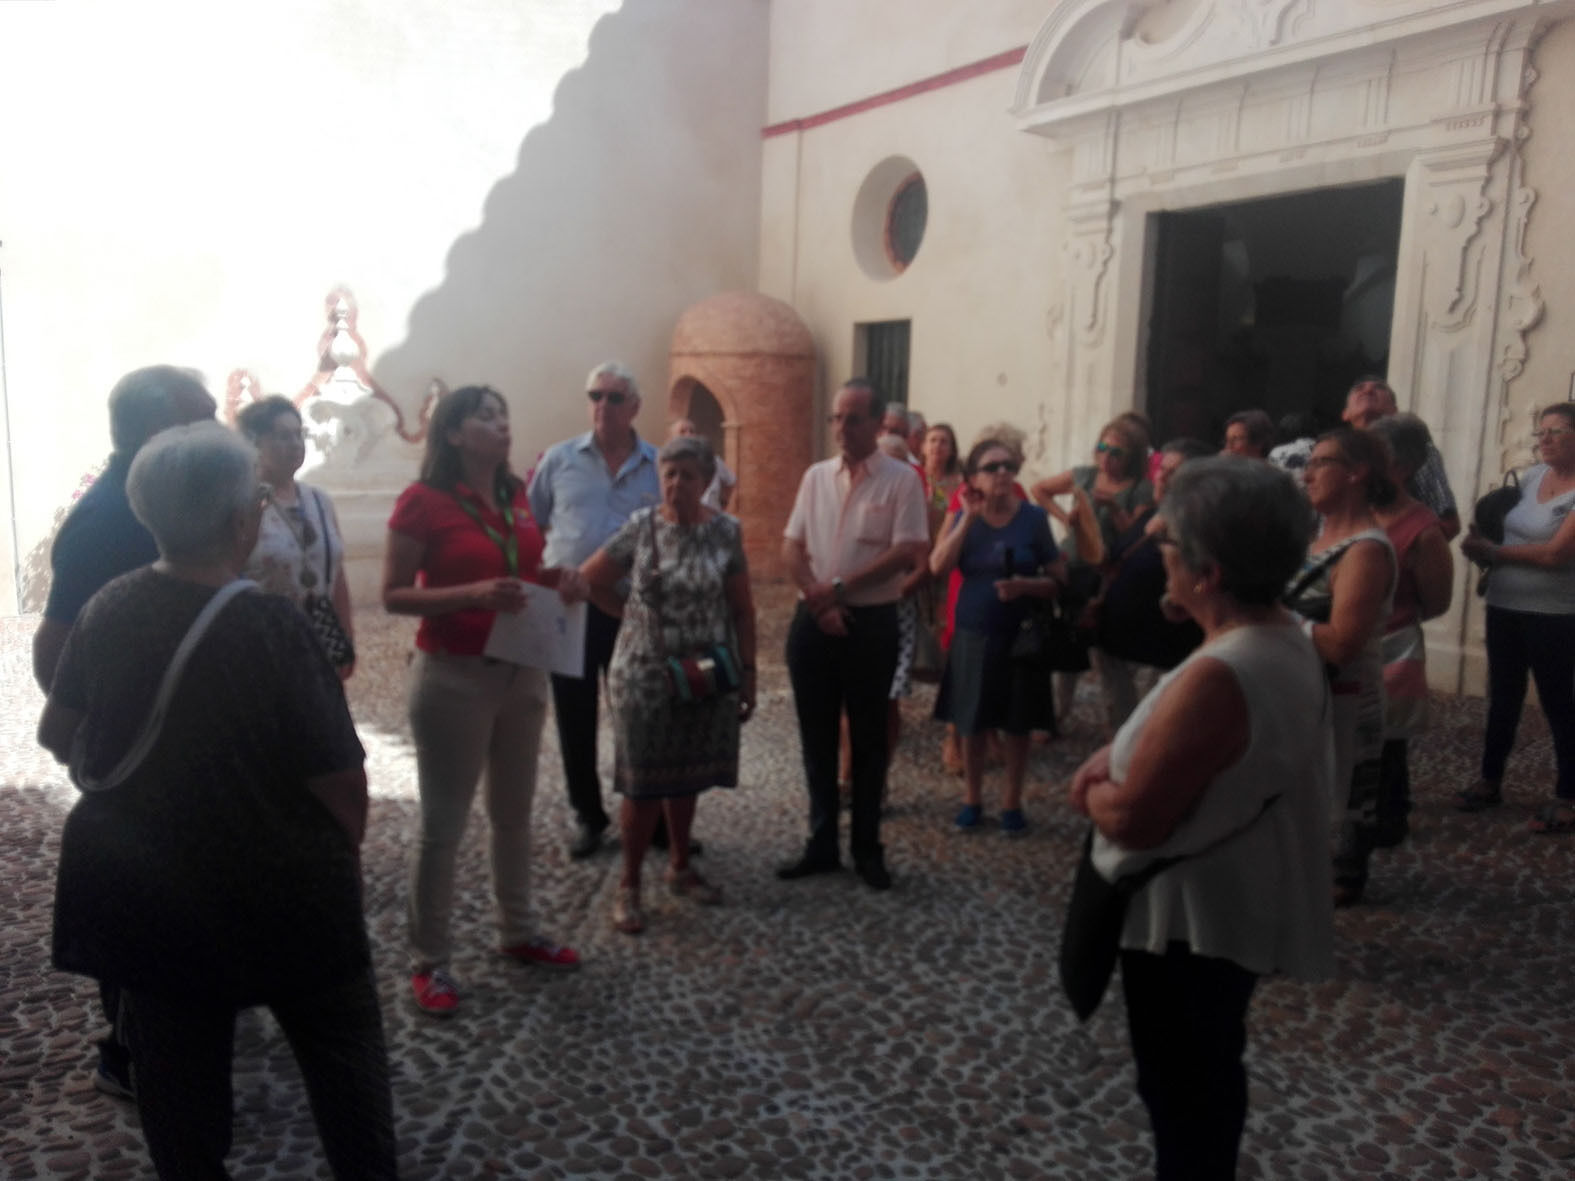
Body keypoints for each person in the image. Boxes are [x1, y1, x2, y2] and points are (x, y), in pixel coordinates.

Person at [38, 422, 395, 1179]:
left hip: (154, 894)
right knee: (343, 1061)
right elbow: (339, 780)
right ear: (241, 519)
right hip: (287, 892)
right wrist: (344, 860)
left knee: (177, 1088)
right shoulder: (272, 624)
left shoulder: (109, 606)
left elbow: (57, 732)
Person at [1068, 457, 1333, 1181]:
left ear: (1208, 571)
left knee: (1183, 1090)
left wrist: (1089, 790)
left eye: (1166, 544)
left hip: (1188, 922)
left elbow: (1134, 819)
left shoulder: (1224, 671)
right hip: (1222, 904)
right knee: (1204, 1077)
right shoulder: (1283, 637)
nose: (1158, 556)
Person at [30, 363, 216, 1101]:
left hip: (177, 749)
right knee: (140, 906)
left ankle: (177, 1024)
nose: (217, 429)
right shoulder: (110, 518)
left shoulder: (160, 504)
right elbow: (54, 644)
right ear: (158, 430)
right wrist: (98, 739)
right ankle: (130, 1052)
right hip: (139, 758)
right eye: (202, 417)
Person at [384, 385, 583, 1017]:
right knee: (444, 824)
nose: (502, 426)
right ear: (453, 433)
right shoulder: (423, 501)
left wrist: (560, 581)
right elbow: (393, 594)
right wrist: (470, 595)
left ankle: (517, 930)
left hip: (521, 672)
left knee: (514, 813)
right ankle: (429, 961)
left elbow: (523, 573)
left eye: (504, 415)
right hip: (454, 677)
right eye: (486, 417)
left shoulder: (515, 494)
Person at [580, 434, 757, 933]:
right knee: (642, 784)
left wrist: (749, 673)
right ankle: (629, 885)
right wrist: (632, 619)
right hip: (645, 677)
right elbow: (591, 579)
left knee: (688, 772)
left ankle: (679, 866)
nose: (677, 484)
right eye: (670, 474)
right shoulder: (641, 528)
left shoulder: (726, 532)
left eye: (688, 475)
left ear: (707, 481)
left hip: (705, 675)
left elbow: (742, 609)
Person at [778, 378, 929, 890]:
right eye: (836, 418)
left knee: (868, 740)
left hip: (870, 624)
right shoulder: (815, 477)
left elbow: (906, 550)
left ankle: (867, 847)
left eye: (853, 418)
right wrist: (818, 598)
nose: (842, 427)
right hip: (813, 622)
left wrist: (839, 589)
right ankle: (821, 842)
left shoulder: (902, 481)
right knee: (816, 738)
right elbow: (791, 546)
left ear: (877, 422)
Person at [528, 362, 662, 859]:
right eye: (596, 395)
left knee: (640, 715)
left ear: (635, 407)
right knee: (574, 716)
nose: (603, 405)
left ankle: (648, 815)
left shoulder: (657, 465)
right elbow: (534, 523)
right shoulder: (559, 460)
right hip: (572, 610)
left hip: (633, 611)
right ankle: (588, 815)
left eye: (614, 396)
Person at [1285, 429, 1397, 907]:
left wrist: (1277, 620)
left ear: (1357, 473)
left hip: (1343, 701)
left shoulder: (1365, 550)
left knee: (1338, 798)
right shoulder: (1314, 540)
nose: (1307, 474)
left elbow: (1342, 645)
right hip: (1304, 693)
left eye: (1321, 463)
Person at [930, 437, 1065, 833]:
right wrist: (967, 519)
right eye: (992, 467)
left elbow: (1059, 579)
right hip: (974, 632)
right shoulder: (963, 517)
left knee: (1018, 723)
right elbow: (938, 566)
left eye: (1008, 465)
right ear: (973, 478)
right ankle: (972, 799)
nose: (1003, 472)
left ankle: (1011, 802)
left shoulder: (1033, 519)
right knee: (972, 721)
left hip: (1021, 635)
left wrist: (1026, 586)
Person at [1459, 403, 1575, 832]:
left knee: (1559, 702)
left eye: (1556, 431)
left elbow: (1555, 555)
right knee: (1503, 697)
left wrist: (1494, 552)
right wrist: (1482, 543)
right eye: (1541, 431)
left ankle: (1568, 796)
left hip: (1554, 614)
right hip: (1504, 605)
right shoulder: (1533, 477)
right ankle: (1489, 780)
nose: (1544, 439)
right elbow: (1507, 532)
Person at [1031, 416, 1155, 725]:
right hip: (1073, 566)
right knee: (1064, 640)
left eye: (1116, 453)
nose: (1107, 458)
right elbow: (1039, 489)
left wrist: (1114, 508)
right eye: (1103, 448)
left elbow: (1136, 534)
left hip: (1108, 573)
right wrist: (1065, 518)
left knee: (1108, 652)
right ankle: (1055, 715)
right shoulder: (1084, 476)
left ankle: (1122, 723)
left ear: (1132, 457)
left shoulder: (1140, 488)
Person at [1368, 414, 1454, 846]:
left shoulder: (1423, 530)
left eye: (1371, 458)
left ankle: (1376, 830)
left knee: (1384, 747)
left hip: (1392, 651)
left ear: (1401, 468)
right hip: (1345, 651)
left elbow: (1436, 601)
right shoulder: (1351, 512)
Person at [1089, 438, 1211, 728]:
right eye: (1161, 469)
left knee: (1151, 729)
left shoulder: (1199, 528)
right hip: (1115, 644)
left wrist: (1181, 600)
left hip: (1158, 652)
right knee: (1120, 728)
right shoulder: (1148, 514)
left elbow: (1203, 582)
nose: (1162, 477)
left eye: (1174, 472)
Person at [238, 395, 355, 676]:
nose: (295, 444)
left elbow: (336, 571)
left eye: (298, 434)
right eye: (282, 436)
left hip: (320, 634)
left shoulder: (319, 501)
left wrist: (346, 635)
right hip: (263, 641)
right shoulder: (241, 503)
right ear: (254, 444)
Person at [1342, 376, 1461, 539]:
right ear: (1345, 414)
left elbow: (1448, 523)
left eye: (1379, 388)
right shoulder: (1330, 454)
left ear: (1394, 410)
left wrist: (1391, 547)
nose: (1368, 390)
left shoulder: (1415, 449)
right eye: (1359, 388)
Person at [669, 417, 736, 512]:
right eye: (682, 431)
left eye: (691, 431)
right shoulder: (668, 465)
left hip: (711, 516)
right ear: (672, 437)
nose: (688, 434)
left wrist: (723, 502)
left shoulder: (713, 460)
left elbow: (730, 481)